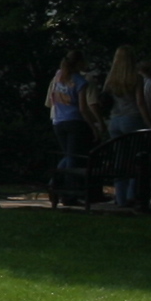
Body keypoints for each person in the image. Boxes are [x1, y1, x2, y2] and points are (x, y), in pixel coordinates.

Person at [103, 47, 151, 208]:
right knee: (137, 158)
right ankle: (133, 194)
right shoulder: (136, 78)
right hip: (132, 119)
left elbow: (105, 99)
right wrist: (149, 124)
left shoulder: (111, 79)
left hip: (115, 120)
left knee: (120, 159)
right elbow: (140, 103)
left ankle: (120, 197)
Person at [43, 52, 90, 203]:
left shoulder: (58, 77)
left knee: (68, 155)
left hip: (58, 120)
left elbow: (51, 100)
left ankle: (55, 182)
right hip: (74, 121)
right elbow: (83, 108)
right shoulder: (80, 81)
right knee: (73, 158)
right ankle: (69, 193)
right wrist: (93, 125)